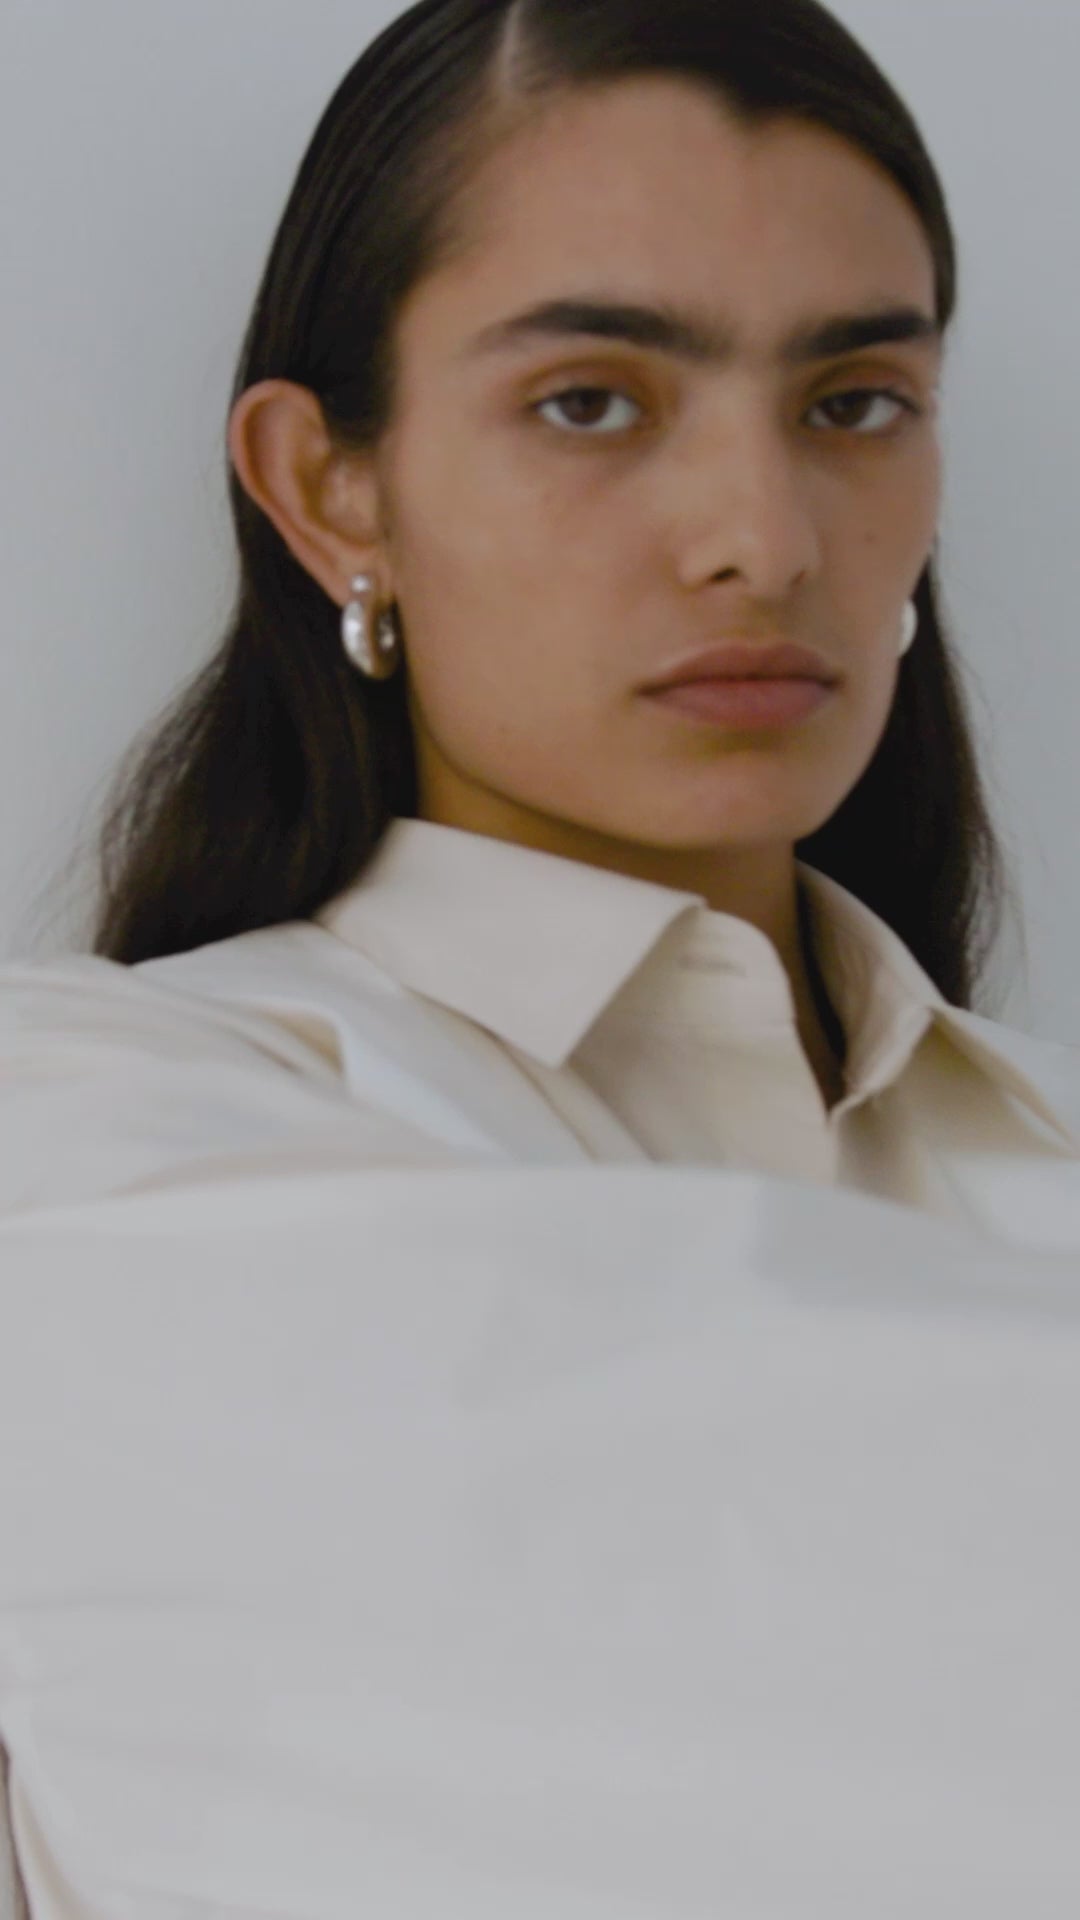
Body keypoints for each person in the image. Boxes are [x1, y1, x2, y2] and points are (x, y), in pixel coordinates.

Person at [2, 0, 1080, 1912]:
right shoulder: (83, 1140)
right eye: (592, 400)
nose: (762, 539)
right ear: (329, 488)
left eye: (854, 403)